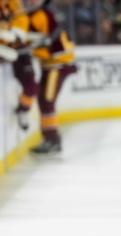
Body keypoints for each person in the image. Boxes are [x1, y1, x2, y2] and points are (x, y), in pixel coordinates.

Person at [26, 0, 77, 155]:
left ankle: (53, 139)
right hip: (51, 65)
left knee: (47, 100)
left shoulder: (43, 15)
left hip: (57, 65)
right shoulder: (41, 14)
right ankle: (50, 138)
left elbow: (48, 44)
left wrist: (30, 49)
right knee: (44, 101)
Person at [0, 0, 36, 132]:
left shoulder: (12, 2)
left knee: (31, 85)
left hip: (15, 47)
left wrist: (16, 34)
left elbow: (20, 17)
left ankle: (23, 110)